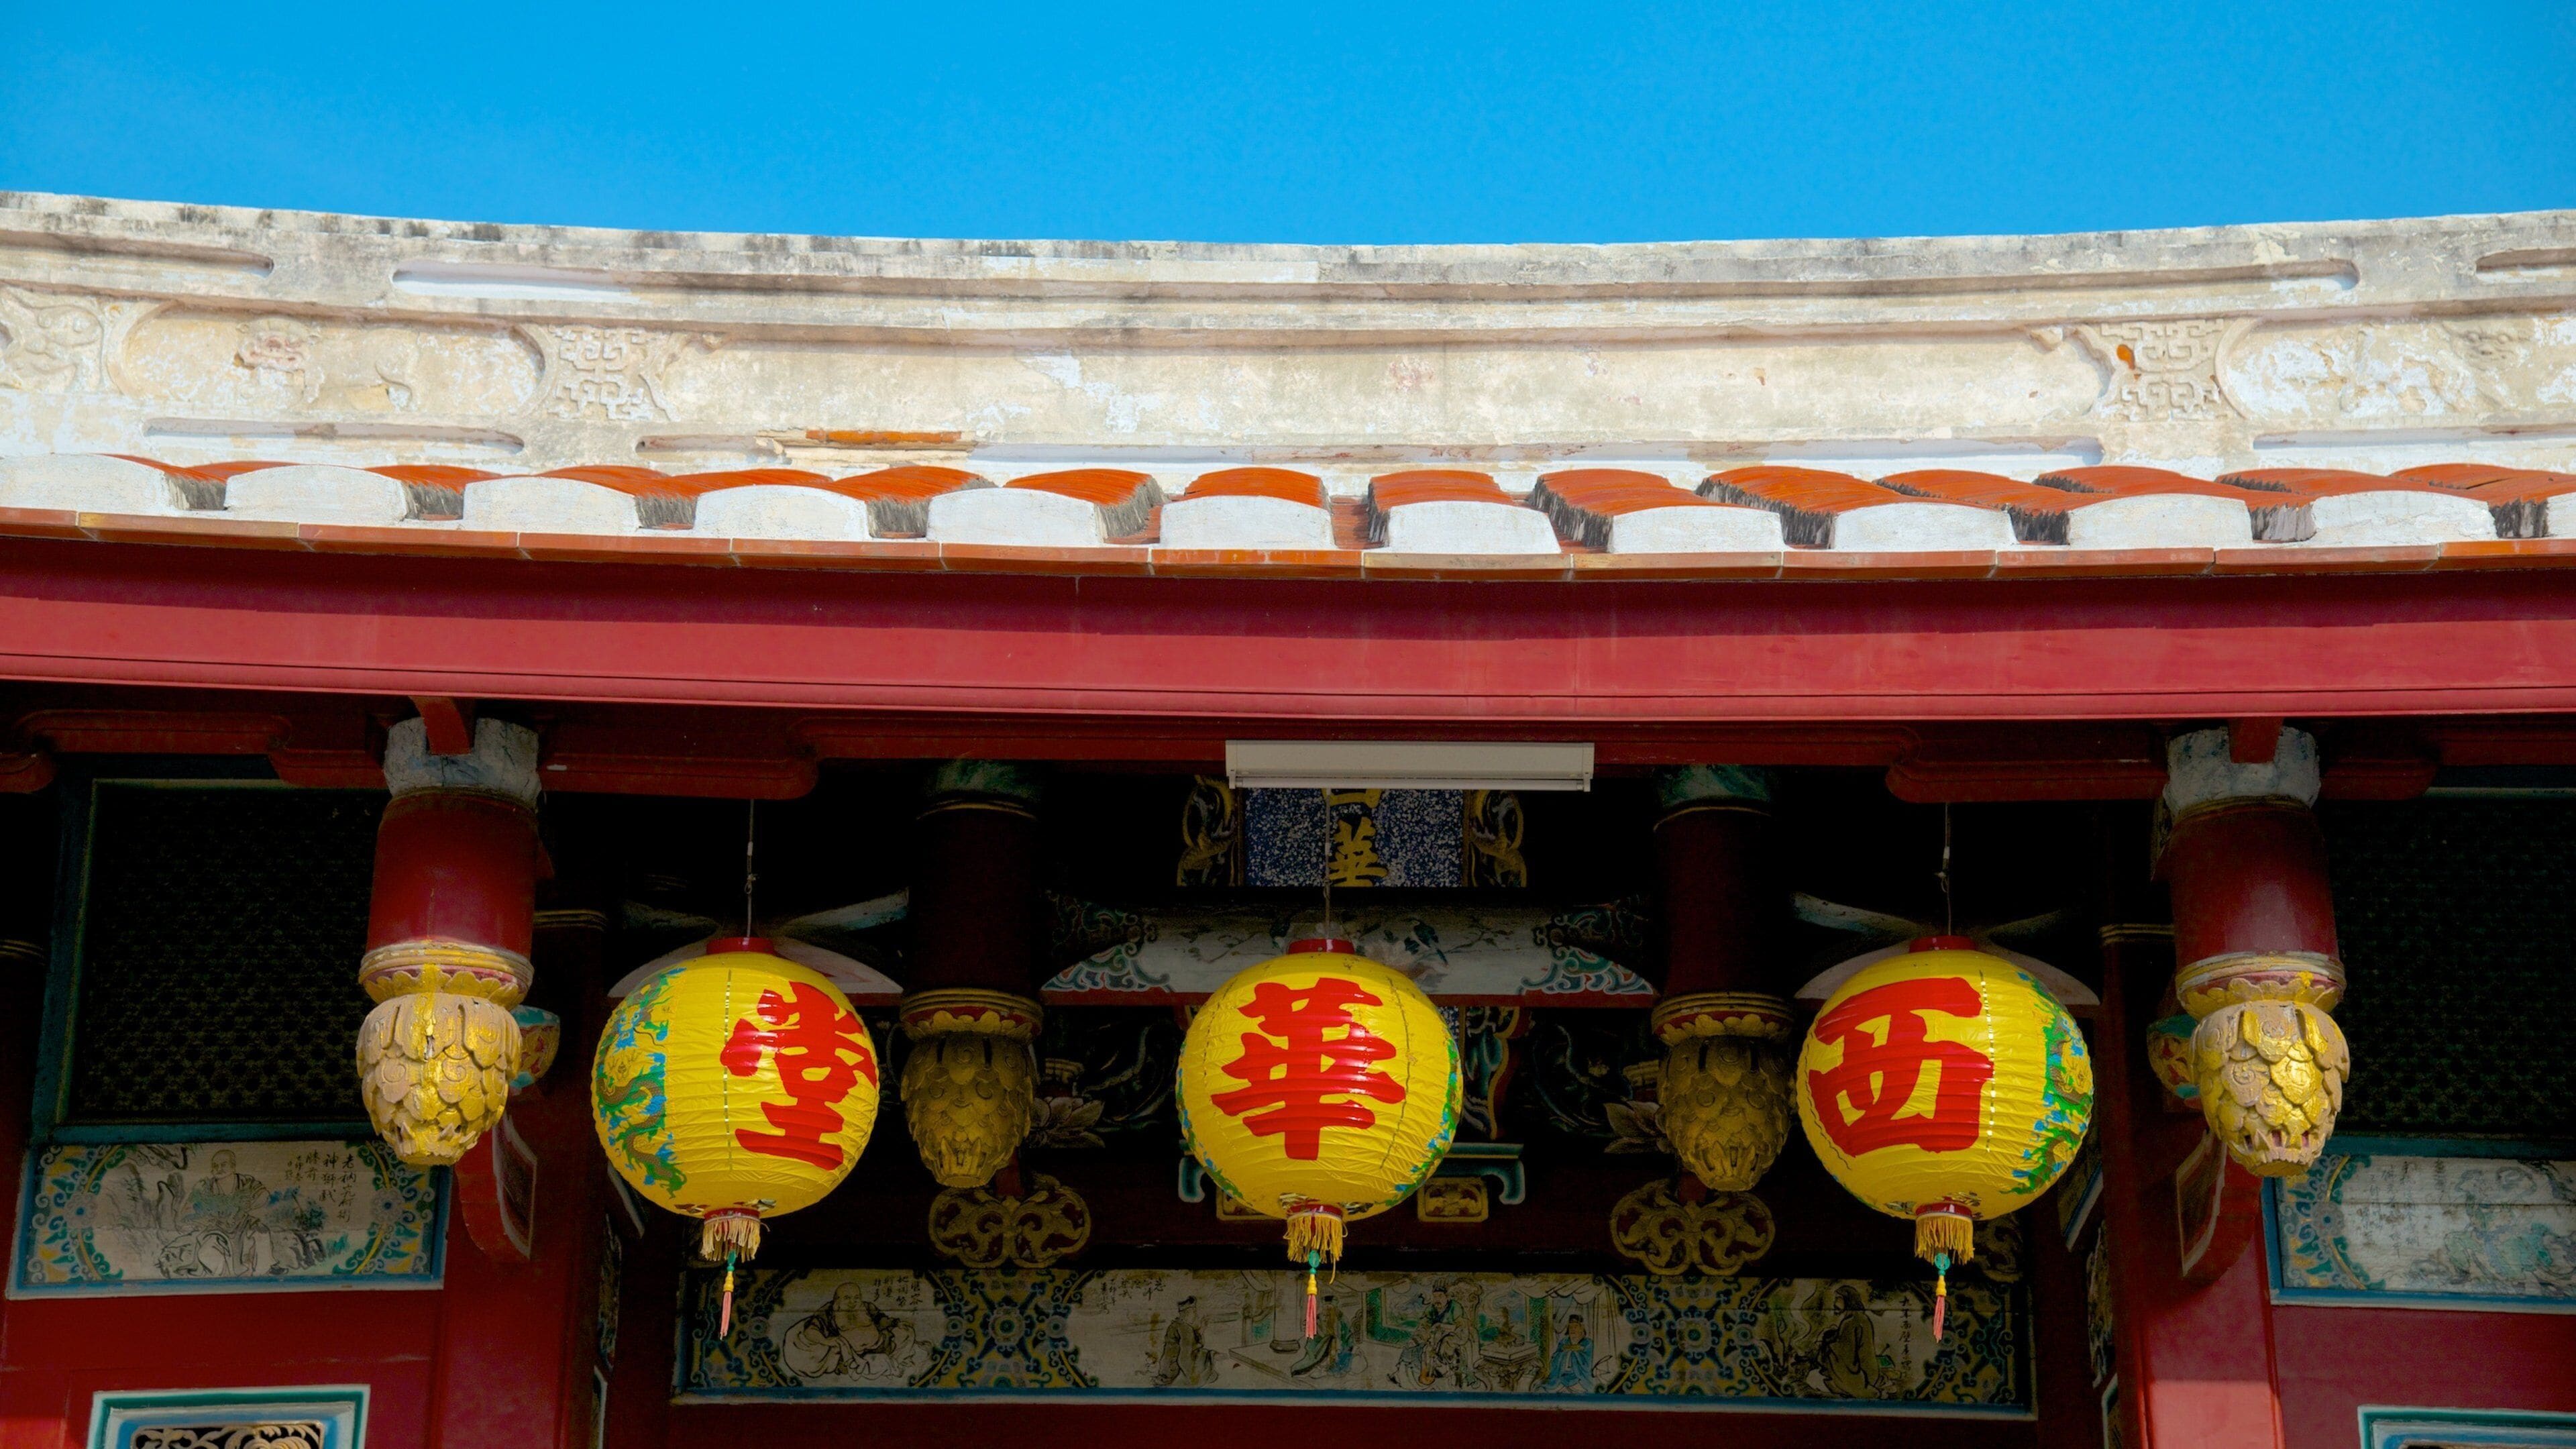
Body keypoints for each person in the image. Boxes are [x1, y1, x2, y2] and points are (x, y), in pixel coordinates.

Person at [780, 1283, 906, 1380]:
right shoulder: (830, 1312)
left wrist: (895, 1323)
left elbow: (881, 1319)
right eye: (847, 1298)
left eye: (857, 1298)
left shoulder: (866, 1307)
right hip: (848, 1354)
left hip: (880, 1345)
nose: (853, 1302)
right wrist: (826, 1341)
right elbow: (811, 1331)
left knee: (907, 1333)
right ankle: (861, 1366)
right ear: (838, 1300)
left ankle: (886, 1362)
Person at [1153, 1297, 1218, 1387]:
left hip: (1165, 1367)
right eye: (1194, 1312)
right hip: (1175, 1369)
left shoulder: (1175, 1325)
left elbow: (1189, 1343)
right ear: (1187, 1313)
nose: (1196, 1316)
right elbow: (1186, 1355)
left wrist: (1202, 1329)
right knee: (1205, 1357)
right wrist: (1210, 1354)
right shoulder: (1185, 1329)